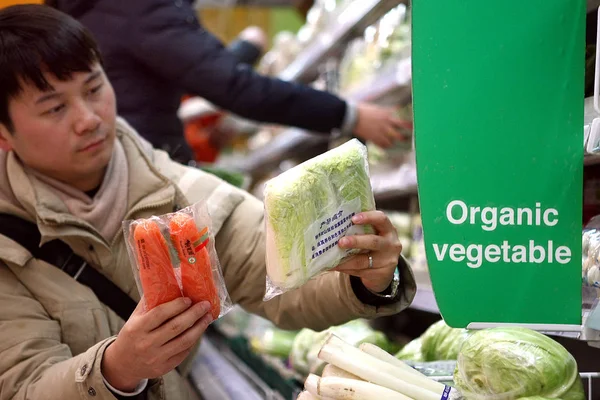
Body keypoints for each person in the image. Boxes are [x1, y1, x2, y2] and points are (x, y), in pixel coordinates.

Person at [0, 5, 416, 400]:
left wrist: (368, 279)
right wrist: (114, 370)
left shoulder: (181, 196)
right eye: (54, 108)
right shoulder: (8, 247)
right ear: (4, 134)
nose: (88, 117)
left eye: (94, 88)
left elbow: (278, 280)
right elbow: (21, 384)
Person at [47, 0, 406, 164]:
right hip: (145, 167)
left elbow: (190, 68)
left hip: (118, 166)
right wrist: (349, 114)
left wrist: (244, 49)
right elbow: (235, 87)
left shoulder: (78, 12)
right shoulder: (138, 9)